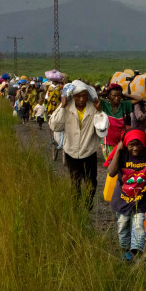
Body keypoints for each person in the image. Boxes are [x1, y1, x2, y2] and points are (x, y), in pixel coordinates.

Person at [107, 130, 146, 259]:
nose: (135, 148)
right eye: (131, 145)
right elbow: (111, 172)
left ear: (144, 144)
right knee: (123, 225)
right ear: (126, 144)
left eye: (139, 144)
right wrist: (119, 150)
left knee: (139, 227)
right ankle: (125, 251)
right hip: (122, 200)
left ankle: (137, 252)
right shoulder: (123, 154)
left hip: (140, 200)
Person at [48, 81, 104, 209]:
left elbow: (102, 129)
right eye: (78, 96)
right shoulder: (66, 107)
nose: (82, 99)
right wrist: (62, 107)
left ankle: (88, 204)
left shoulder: (93, 107)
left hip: (89, 151)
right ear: (73, 96)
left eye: (84, 96)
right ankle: (76, 206)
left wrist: (99, 111)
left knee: (92, 182)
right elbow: (55, 126)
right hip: (71, 151)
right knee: (75, 181)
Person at [99, 83, 134, 160]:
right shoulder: (104, 105)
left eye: (119, 95)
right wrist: (104, 93)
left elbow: (140, 99)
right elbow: (94, 96)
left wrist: (126, 95)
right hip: (107, 141)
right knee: (111, 165)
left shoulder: (124, 105)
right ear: (109, 96)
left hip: (120, 141)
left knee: (120, 164)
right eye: (114, 95)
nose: (117, 98)